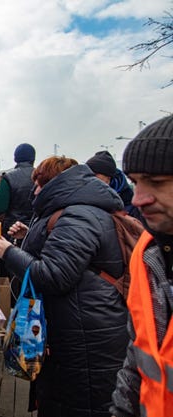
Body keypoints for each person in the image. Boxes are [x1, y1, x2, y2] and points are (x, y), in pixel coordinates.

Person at [0, 156, 128, 417]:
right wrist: (29, 235)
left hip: (86, 338)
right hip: (79, 329)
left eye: (38, 184)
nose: (34, 191)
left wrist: (8, 252)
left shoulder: (77, 215)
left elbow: (54, 275)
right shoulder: (76, 210)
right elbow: (65, 257)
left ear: (52, 183)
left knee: (79, 404)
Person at [110, 115, 173, 417]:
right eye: (135, 182)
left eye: (157, 182)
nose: (138, 198)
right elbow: (137, 357)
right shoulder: (146, 252)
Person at [0, 143, 36, 239]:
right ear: (33, 159)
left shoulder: (8, 178)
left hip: (13, 228)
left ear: (15, 159)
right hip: (36, 228)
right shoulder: (41, 175)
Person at [86, 150, 140, 219]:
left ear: (108, 177)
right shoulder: (86, 195)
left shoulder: (129, 201)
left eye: (94, 174)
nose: (90, 177)